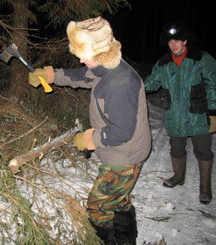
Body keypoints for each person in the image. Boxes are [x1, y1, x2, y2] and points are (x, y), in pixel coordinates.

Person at [28, 16, 151, 245]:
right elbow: (80, 76)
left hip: (125, 154)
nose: (82, 60)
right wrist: (51, 75)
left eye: (84, 54)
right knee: (119, 200)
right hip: (124, 151)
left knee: (98, 209)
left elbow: (121, 132)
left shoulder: (120, 83)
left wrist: (88, 139)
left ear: (101, 51)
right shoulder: (106, 67)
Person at [144, 21, 216, 205]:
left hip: (198, 115)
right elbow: (152, 83)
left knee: (203, 151)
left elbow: (213, 85)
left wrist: (213, 112)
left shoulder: (201, 58)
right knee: (176, 148)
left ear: (185, 41)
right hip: (174, 115)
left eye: (177, 41)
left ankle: (205, 188)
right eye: (170, 42)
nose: (173, 45)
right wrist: (134, 85)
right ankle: (178, 177)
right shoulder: (163, 63)